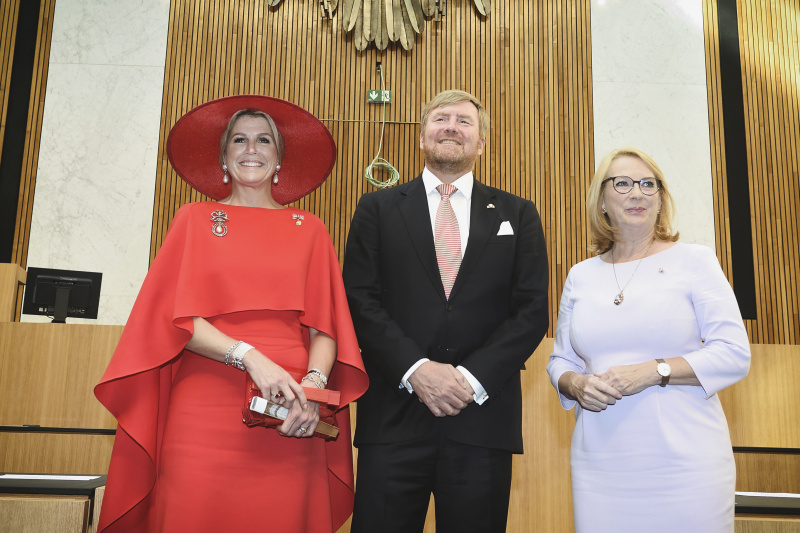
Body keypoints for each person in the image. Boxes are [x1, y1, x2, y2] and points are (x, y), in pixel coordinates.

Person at [94, 95, 368, 533]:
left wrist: (313, 391)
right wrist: (250, 356)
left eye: (264, 140)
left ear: (280, 159)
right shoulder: (193, 219)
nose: (251, 149)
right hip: (204, 409)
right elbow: (174, 320)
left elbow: (326, 329)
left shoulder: (311, 229)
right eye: (239, 140)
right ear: (224, 157)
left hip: (289, 410)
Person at [342, 89, 549, 533]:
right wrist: (416, 369)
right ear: (421, 136)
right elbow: (359, 299)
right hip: (395, 417)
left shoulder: (519, 213)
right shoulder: (376, 209)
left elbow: (531, 311)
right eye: (441, 118)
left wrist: (468, 381)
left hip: (481, 419)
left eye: (464, 121)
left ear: (482, 142)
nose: (451, 126)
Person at [546, 147, 751, 532]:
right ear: (601, 201)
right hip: (600, 463)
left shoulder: (694, 260)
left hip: (686, 463)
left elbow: (734, 353)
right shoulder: (580, 275)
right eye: (622, 183)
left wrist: (655, 370)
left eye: (647, 184)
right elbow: (562, 361)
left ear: (661, 200)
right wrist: (575, 384)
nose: (636, 193)